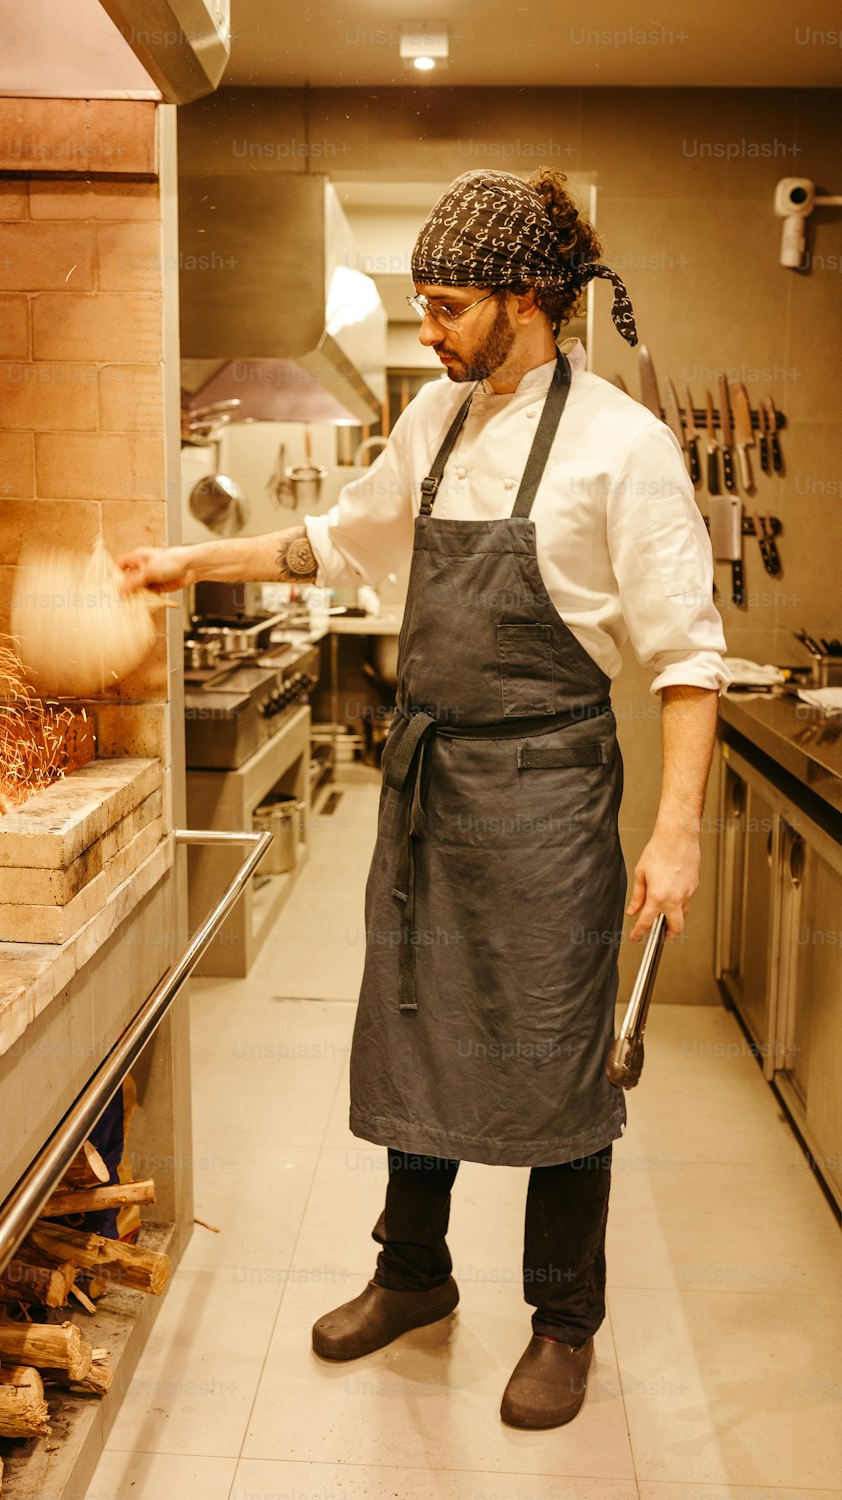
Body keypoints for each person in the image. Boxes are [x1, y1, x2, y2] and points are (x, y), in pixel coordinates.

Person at [118, 168, 729, 1431]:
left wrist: (675, 836)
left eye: (448, 307)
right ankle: (413, 1275)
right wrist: (188, 560)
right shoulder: (434, 427)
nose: (430, 331)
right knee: (413, 1026)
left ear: (528, 297)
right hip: (431, 786)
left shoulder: (625, 446)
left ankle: (563, 1318)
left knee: (558, 1061)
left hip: (552, 797)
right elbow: (335, 542)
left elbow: (685, 663)